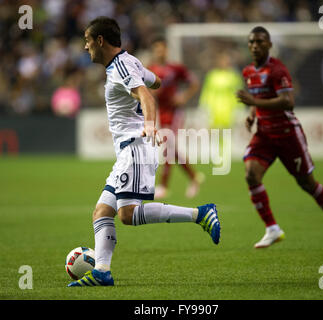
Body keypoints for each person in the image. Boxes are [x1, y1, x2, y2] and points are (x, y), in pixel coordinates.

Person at [68, 17, 221, 287]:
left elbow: (147, 95)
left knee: (127, 215)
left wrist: (149, 125)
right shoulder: (131, 62)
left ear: (100, 41)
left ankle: (201, 214)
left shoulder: (121, 67)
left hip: (136, 148)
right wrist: (142, 83)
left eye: (88, 40)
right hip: (128, 151)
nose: (85, 46)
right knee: (102, 211)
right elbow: (157, 82)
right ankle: (102, 271)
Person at [236, 26, 323, 249]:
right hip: (265, 135)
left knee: (307, 184)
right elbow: (257, 97)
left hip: (288, 135)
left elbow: (288, 101)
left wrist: (254, 104)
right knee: (251, 175)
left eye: (260, 42)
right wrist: (252, 115)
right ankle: (272, 228)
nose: (255, 46)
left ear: (269, 45)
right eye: (252, 42)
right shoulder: (249, 71)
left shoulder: (278, 70)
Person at [147, 37, 204, 199]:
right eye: (157, 49)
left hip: (175, 112)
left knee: (168, 146)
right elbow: (143, 89)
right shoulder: (150, 69)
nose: (160, 52)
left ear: (166, 50)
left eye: (162, 48)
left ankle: (164, 186)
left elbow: (194, 83)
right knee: (170, 148)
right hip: (160, 111)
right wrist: (151, 92)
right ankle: (194, 178)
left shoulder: (175, 68)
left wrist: (184, 96)